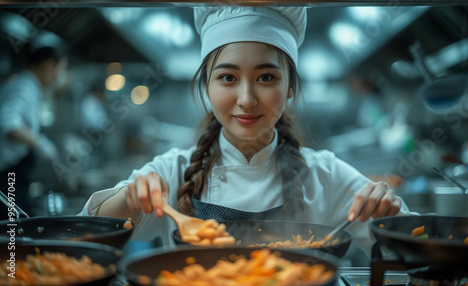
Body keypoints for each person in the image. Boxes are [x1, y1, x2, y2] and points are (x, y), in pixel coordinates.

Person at [79, 7, 416, 257]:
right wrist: (128, 197)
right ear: (206, 87)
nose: (246, 99)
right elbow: (83, 235)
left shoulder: (325, 175)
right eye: (227, 77)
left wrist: (386, 209)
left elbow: (415, 243)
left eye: (266, 77)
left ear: (291, 87)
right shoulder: (173, 170)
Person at [0, 43, 67, 220]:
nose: (60, 75)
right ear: (48, 64)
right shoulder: (24, 86)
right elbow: (9, 124)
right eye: (61, 68)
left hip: (13, 171)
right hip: (8, 173)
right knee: (13, 230)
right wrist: (40, 143)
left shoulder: (30, 86)